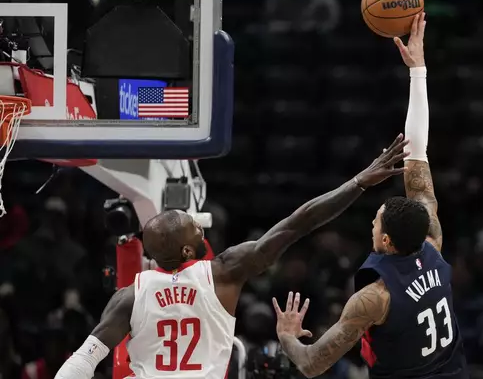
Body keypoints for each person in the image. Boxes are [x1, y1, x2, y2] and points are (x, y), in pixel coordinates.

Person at [53, 134, 409, 379]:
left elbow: (84, 360)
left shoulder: (130, 295)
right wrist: (359, 182)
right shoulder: (224, 273)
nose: (199, 223)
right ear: (188, 249)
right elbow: (299, 223)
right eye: (193, 225)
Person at [272, 13, 468, 378]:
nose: (371, 223)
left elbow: (312, 364)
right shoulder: (433, 244)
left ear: (387, 240)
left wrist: (286, 337)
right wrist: (418, 70)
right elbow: (417, 152)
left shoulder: (374, 298)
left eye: (376, 220)